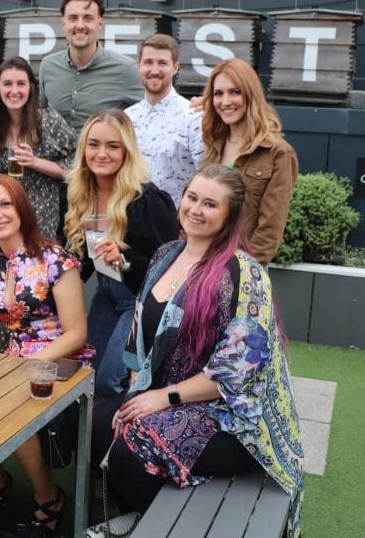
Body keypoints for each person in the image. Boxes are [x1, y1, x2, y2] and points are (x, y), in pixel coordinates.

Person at [91, 164, 307, 538]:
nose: (196, 209)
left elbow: (237, 370)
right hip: (167, 396)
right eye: (192, 197)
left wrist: (160, 398)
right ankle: (143, 524)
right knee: (92, 421)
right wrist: (137, 390)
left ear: (229, 215)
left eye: (211, 204)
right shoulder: (165, 253)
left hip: (233, 416)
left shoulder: (245, 274)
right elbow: (141, 331)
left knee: (129, 449)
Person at [0, 175, 90, 538]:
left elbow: (76, 333)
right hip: (12, 361)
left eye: (5, 204)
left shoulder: (55, 259)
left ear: (22, 207)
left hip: (61, 360)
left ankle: (48, 498)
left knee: (11, 413)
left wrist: (23, 367)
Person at [63, 110, 177, 396]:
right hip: (105, 294)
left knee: (109, 380)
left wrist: (125, 262)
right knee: (84, 373)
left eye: (112, 146)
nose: (102, 153)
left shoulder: (146, 200)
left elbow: (169, 266)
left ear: (127, 151)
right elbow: (80, 262)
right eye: (94, 144)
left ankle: (120, 438)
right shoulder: (81, 195)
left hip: (136, 300)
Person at [200, 58, 298, 265]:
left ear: (250, 95)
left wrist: (243, 273)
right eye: (218, 93)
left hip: (240, 269)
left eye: (235, 92)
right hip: (201, 262)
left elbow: (270, 229)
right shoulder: (212, 145)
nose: (225, 101)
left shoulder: (278, 153)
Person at [0, 57, 75, 240]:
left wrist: (35, 162)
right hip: (3, 218)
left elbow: (75, 169)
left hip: (42, 218)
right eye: (7, 84)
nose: (14, 91)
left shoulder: (49, 121)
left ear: (31, 87)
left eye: (21, 84)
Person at [38, 0, 142, 133]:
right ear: (64, 24)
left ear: (100, 23)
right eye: (73, 18)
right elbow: (41, 116)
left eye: (88, 18)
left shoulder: (126, 70)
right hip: (52, 156)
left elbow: (152, 114)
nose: (80, 25)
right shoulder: (48, 66)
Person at [124, 34, 205, 207]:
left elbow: (206, 176)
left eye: (162, 63)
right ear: (139, 65)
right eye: (148, 62)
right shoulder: (127, 118)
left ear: (175, 67)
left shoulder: (193, 117)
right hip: (128, 221)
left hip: (177, 224)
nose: (154, 70)